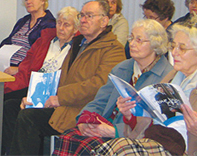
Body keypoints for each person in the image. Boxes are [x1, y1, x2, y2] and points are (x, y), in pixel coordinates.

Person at [93, 22, 197, 155]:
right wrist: (129, 116)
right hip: (159, 144)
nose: (174, 53)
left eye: (182, 48)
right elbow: (152, 123)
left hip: (184, 151)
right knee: (103, 150)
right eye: (173, 46)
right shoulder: (172, 76)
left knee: (117, 151)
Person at [5, 0, 125, 155]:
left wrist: (59, 97)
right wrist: (36, 98)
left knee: (29, 117)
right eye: (82, 15)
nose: (83, 20)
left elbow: (99, 85)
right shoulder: (79, 43)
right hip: (64, 104)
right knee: (11, 107)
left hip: (82, 108)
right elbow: (59, 76)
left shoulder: (113, 50)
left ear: (104, 21)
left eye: (89, 16)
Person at [53, 19, 173, 155]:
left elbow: (158, 124)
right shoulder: (123, 67)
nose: (132, 44)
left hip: (131, 136)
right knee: (68, 137)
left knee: (89, 148)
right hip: (105, 124)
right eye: (131, 38)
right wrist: (83, 119)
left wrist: (115, 131)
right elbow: (100, 100)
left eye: (139, 40)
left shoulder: (166, 76)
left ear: (155, 44)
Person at [0, 7, 79, 155]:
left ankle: (0, 149)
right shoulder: (47, 40)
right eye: (59, 23)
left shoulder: (76, 48)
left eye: (67, 25)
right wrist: (18, 74)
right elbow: (28, 62)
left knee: (11, 107)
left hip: (53, 91)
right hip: (31, 82)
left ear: (75, 28)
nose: (61, 28)